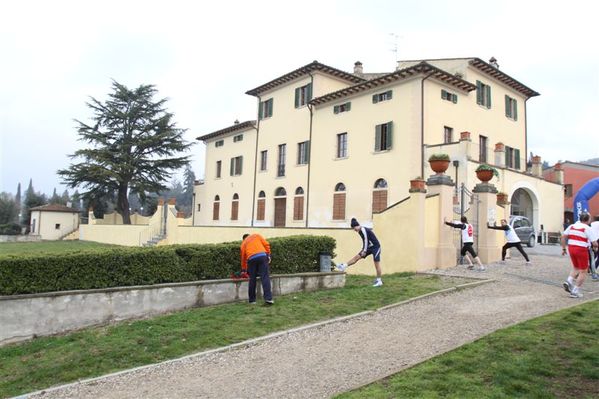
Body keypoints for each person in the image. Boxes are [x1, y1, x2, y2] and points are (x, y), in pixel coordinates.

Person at [336, 218, 383, 287]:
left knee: (376, 264)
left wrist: (364, 250)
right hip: (368, 247)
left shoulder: (363, 230)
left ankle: (379, 281)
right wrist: (363, 250)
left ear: (357, 225)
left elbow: (366, 240)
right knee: (357, 257)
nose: (354, 230)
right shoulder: (360, 231)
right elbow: (365, 241)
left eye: (354, 228)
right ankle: (343, 266)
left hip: (376, 247)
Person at [561, 213, 598, 298]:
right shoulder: (587, 228)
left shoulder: (572, 226)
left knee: (576, 267)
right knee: (583, 271)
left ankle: (569, 281)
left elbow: (563, 237)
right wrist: (596, 248)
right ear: (588, 220)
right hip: (581, 249)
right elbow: (594, 243)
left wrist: (563, 249)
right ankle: (575, 291)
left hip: (571, 248)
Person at [240, 233, 273, 305]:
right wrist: (269, 255)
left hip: (251, 259)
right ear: (249, 235)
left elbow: (243, 258)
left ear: (244, 239)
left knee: (252, 279)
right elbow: (266, 245)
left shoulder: (243, 244)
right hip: (262, 256)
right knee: (265, 277)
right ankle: (268, 298)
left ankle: (252, 300)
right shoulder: (256, 235)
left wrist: (243, 270)